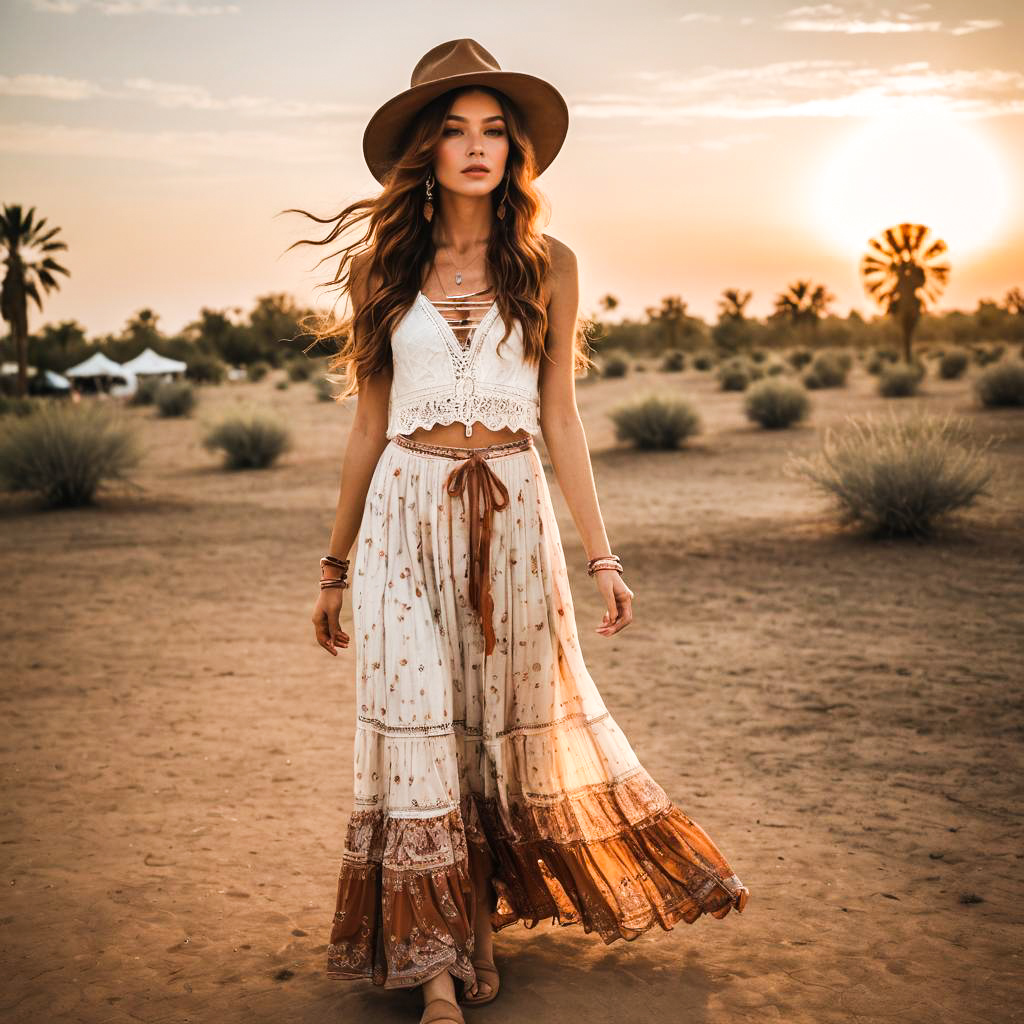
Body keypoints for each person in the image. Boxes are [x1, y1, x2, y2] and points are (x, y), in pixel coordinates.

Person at [292, 38, 750, 1024]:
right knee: (419, 737)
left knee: (492, 740)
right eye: (453, 129)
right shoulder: (381, 268)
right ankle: (436, 971)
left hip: (513, 513)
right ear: (425, 147)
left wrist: (603, 554)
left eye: (493, 129)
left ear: (515, 150)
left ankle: (476, 923)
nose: (474, 146)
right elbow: (367, 426)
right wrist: (332, 566)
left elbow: (561, 419)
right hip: (401, 520)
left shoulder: (550, 264)